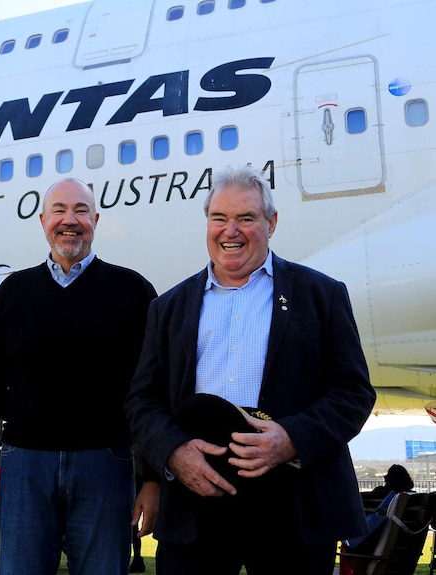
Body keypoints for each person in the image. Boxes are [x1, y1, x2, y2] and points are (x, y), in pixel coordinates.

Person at [126, 165, 376, 575]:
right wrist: (174, 451)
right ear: (207, 223)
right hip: (195, 506)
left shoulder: (321, 295)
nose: (231, 231)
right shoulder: (167, 308)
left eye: (246, 218)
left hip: (294, 506)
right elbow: (142, 401)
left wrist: (292, 438)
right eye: (219, 218)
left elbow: (353, 393)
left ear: (271, 223)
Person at [0, 177, 160, 575]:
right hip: (24, 466)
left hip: (106, 465)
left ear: (96, 220)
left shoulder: (134, 291)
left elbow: (153, 392)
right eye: (59, 210)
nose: (70, 221)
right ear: (42, 221)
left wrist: (153, 480)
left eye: (81, 211)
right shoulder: (12, 292)